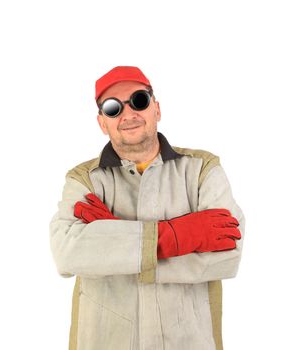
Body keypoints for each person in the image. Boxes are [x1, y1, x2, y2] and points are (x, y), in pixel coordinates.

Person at [49, 66, 245, 350]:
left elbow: (229, 256)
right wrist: (174, 237)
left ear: (157, 109)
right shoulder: (84, 180)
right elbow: (66, 254)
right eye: (113, 108)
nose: (128, 114)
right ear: (103, 122)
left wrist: (113, 241)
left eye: (139, 100)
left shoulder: (203, 170)